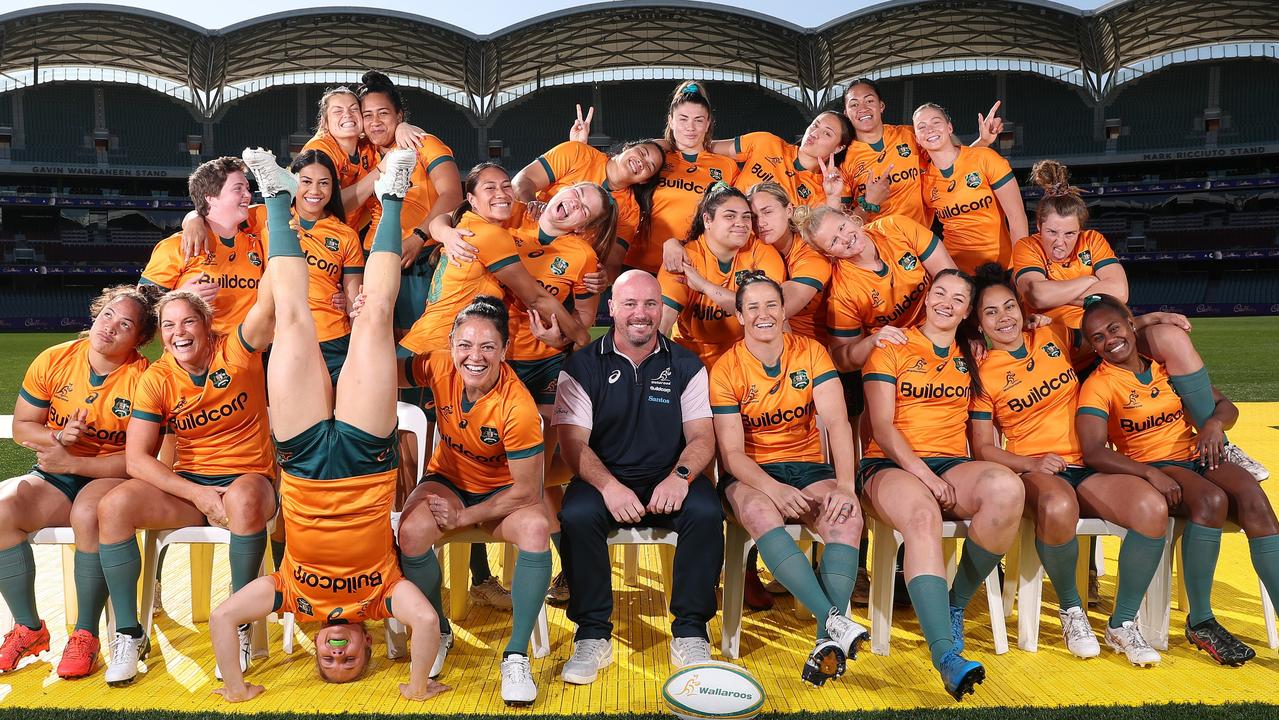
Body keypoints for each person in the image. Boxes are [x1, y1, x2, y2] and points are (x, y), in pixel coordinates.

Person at [207, 146, 447, 702]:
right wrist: (416, 687)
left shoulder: (292, 596)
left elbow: (224, 617)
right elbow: (428, 624)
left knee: (293, 321)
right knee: (375, 321)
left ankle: (275, 196)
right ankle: (394, 193)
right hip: (365, 461)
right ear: (366, 647)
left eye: (329, 660)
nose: (337, 653)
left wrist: (237, 690)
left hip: (304, 463)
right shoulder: (383, 599)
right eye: (350, 660)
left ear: (315, 647)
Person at [1013, 160, 1268, 480]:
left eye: (1069, 233)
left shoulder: (1093, 241)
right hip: (1066, 347)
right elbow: (1037, 296)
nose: (1060, 243)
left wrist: (1062, 293)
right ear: (1039, 227)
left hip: (1109, 334)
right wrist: (1091, 285)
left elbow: (1119, 291)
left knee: (1172, 337)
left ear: (1080, 230)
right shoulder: (1027, 248)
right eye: (1051, 232)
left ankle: (1219, 446)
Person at [967, 264, 1171, 662]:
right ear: (977, 322)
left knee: (1151, 508)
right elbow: (982, 448)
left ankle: (1122, 623)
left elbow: (1107, 338)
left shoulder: (1052, 334)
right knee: (1059, 505)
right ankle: (1072, 610)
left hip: (1090, 464)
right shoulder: (982, 371)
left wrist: (1153, 319)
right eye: (991, 312)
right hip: (1036, 471)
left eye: (1009, 306)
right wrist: (1031, 461)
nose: (1004, 317)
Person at [1076, 294, 1279, 667]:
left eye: (1114, 328)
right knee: (1211, 501)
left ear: (1132, 324)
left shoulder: (1163, 368)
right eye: (1098, 337)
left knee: (1254, 498)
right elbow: (1094, 451)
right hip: (1155, 466)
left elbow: (1225, 406)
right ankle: (1201, 620)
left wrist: (1214, 425)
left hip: (1197, 456)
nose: (1109, 339)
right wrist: (1149, 472)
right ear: (1092, 346)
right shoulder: (1100, 384)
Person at [97, 286, 278, 686]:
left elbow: (268, 303)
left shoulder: (237, 350)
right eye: (168, 325)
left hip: (249, 479)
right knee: (113, 507)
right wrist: (197, 494)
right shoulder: (158, 377)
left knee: (245, 499)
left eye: (188, 321)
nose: (179, 332)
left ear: (208, 325)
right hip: (192, 486)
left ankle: (239, 624)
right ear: (161, 334)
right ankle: (128, 634)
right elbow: (136, 459)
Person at [859, 269, 1024, 700]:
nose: (946, 303)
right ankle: (946, 657)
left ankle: (954, 603)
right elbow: (880, 426)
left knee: (1008, 490)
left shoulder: (975, 355)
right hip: (889, 464)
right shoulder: (893, 346)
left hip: (952, 462)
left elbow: (1019, 340)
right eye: (939, 294)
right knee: (921, 513)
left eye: (958, 299)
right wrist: (923, 474)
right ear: (927, 297)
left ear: (968, 311)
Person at [553, 270, 721, 684]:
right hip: (606, 477)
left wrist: (680, 476)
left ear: (662, 308)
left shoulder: (686, 363)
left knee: (705, 510)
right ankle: (592, 635)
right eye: (630, 304)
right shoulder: (582, 365)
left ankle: (690, 631)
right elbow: (573, 445)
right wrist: (609, 486)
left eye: (650, 304)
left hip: (669, 475)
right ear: (612, 309)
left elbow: (702, 437)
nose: (640, 314)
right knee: (576, 515)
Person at [710, 276, 869, 686]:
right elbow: (731, 455)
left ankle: (824, 642)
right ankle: (835, 619)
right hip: (751, 473)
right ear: (740, 314)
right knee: (762, 511)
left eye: (771, 305)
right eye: (753, 307)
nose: (763, 315)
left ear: (784, 311)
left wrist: (847, 485)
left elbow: (836, 424)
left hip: (808, 467)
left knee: (847, 517)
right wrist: (773, 488)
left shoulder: (811, 352)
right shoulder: (726, 368)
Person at [394, 296, 551, 706]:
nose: (474, 356)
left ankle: (516, 655)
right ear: (451, 345)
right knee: (409, 531)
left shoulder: (517, 406)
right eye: (464, 345)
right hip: (448, 481)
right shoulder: (436, 365)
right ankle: (439, 630)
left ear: (504, 350)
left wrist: (466, 515)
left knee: (536, 528)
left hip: (503, 495)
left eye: (486, 347)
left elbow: (527, 492)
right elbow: (387, 373)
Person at [0, 287, 154, 679]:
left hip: (110, 474)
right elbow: (22, 426)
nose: (111, 328)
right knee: (2, 511)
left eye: (126, 325)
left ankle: (85, 634)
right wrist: (56, 439)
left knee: (90, 513)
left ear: (140, 339)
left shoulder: (145, 378)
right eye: (108, 316)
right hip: (57, 475)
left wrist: (76, 459)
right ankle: (27, 628)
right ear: (96, 315)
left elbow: (140, 460)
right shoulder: (55, 358)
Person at [357, 70, 463, 333]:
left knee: (416, 340)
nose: (375, 122)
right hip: (372, 256)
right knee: (374, 338)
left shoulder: (423, 144)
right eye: (367, 115)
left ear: (399, 116)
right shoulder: (363, 155)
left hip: (417, 254)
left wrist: (418, 236)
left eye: (383, 113)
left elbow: (453, 194)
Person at [840, 78, 1002, 225]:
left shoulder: (910, 136)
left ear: (881, 106)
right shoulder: (842, 159)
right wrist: (869, 203)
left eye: (869, 100)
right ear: (846, 113)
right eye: (854, 104)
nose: (862, 108)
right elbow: (840, 225)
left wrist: (984, 141)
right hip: (875, 249)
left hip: (923, 246)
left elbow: (955, 165)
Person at [657, 184, 785, 368]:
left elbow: (764, 310)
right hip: (690, 359)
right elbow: (662, 324)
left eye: (746, 217)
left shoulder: (761, 250)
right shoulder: (685, 257)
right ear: (707, 220)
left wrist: (704, 286)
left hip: (745, 357)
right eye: (730, 216)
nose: (740, 223)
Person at [514, 123, 663, 278]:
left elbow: (613, 262)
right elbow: (522, 181)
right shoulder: (577, 152)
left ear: (644, 181)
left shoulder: (630, 211)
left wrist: (604, 278)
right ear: (627, 147)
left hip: (560, 271)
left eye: (650, 166)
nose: (642, 162)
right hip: (520, 240)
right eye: (642, 152)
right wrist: (532, 204)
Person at [141, 157, 265, 336]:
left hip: (251, 356)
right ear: (210, 198)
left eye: (247, 188)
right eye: (238, 189)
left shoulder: (259, 239)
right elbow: (141, 307)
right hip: (197, 356)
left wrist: (193, 217)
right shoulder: (176, 246)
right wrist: (178, 298)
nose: (248, 195)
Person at [627, 81, 738, 274]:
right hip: (638, 265)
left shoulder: (726, 166)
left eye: (698, 120)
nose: (690, 127)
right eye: (683, 119)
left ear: (708, 123)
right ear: (671, 121)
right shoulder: (655, 160)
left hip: (688, 268)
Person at [915, 103, 1028, 275]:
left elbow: (1017, 216)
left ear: (949, 127)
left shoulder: (986, 159)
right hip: (958, 274)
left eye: (936, 122)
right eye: (921, 127)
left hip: (1003, 267)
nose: (929, 129)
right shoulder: (924, 181)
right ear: (916, 138)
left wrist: (1022, 269)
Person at [743, 183, 832, 341]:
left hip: (811, 348)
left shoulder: (811, 252)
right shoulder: (751, 247)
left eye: (768, 212)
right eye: (753, 217)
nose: (760, 223)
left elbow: (773, 311)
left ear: (789, 210)